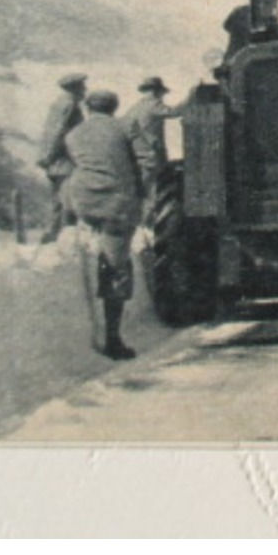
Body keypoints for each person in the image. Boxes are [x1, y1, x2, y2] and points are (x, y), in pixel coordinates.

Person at [64, 90, 145, 360]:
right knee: (116, 267)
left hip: (81, 199)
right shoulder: (124, 127)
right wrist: (141, 191)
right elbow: (144, 160)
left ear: (88, 108)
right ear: (114, 107)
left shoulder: (74, 133)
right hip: (116, 204)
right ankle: (113, 339)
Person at [35, 72, 87, 244]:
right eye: (82, 86)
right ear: (75, 88)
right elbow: (58, 132)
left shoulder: (60, 103)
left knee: (59, 204)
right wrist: (49, 156)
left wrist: (45, 156)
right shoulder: (69, 105)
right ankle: (59, 243)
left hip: (57, 162)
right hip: (64, 162)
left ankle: (52, 240)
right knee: (67, 205)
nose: (85, 89)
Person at [123, 76, 183, 204]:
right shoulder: (153, 104)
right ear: (157, 92)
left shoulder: (135, 107)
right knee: (153, 188)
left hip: (138, 152)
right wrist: (191, 98)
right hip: (152, 152)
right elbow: (175, 112)